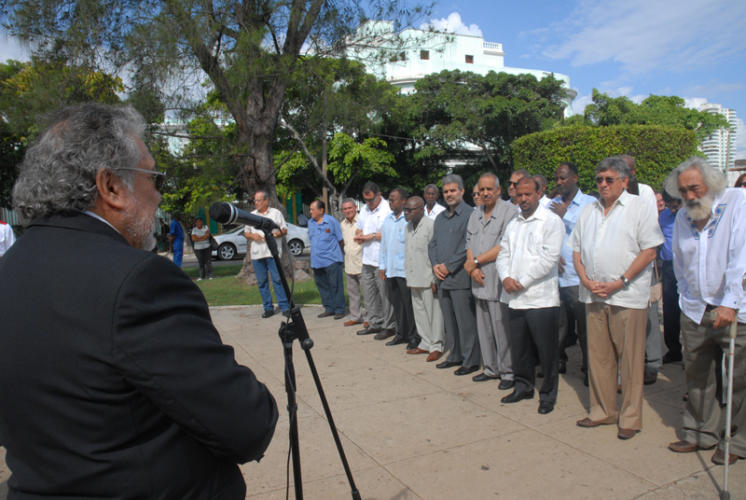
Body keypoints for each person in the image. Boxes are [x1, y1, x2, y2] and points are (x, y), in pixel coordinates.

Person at [0, 103, 278, 498]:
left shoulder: (9, 270)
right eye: (154, 177)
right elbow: (247, 423)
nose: (160, 195)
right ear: (111, 187)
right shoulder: (137, 280)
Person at [571, 156, 663, 440]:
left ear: (624, 181)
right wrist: (586, 279)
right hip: (594, 295)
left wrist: (619, 282)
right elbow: (576, 250)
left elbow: (649, 251)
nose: (603, 185)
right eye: (599, 180)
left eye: (609, 179)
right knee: (599, 358)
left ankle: (631, 418)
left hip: (626, 296)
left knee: (630, 361)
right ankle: (603, 411)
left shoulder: (639, 208)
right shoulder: (589, 211)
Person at [664, 157, 746, 465]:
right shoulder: (685, 216)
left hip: (734, 309)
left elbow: (741, 255)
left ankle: (737, 440)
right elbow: (681, 261)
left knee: (739, 379)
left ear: (711, 184)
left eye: (694, 188)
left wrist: (730, 302)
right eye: (683, 190)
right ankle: (701, 432)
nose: (689, 196)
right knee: (697, 376)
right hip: (697, 310)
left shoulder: (737, 202)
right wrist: (688, 300)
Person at [497, 177, 564, 414]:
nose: (523, 199)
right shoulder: (513, 222)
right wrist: (505, 277)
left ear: (538, 194)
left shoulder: (551, 221)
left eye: (528, 194)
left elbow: (549, 258)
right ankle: (523, 386)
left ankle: (547, 394)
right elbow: (503, 253)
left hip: (541, 299)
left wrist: (522, 281)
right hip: (514, 298)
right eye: (520, 195)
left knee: (546, 351)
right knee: (520, 348)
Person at [464, 172, 517, 388]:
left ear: (498, 190)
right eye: (482, 190)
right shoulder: (475, 213)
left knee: (500, 327)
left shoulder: (510, 212)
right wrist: (472, 266)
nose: (485, 193)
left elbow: (504, 244)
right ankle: (490, 367)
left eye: (489, 189)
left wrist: (475, 261)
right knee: (483, 326)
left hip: (496, 278)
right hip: (478, 278)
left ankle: (508, 372)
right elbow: (469, 241)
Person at [428, 174, 481, 375]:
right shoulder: (440, 218)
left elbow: (467, 246)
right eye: (446, 191)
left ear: (462, 191)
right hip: (442, 278)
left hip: (459, 277)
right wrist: (435, 265)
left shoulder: (471, 214)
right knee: (449, 321)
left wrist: (449, 266)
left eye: (453, 190)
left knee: (465, 322)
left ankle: (471, 360)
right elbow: (432, 244)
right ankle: (455, 355)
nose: (449, 194)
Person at [550, 162, 596, 378]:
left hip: (578, 278)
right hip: (555, 278)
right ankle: (558, 361)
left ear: (575, 178)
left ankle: (589, 369)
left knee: (585, 330)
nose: (559, 182)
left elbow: (591, 232)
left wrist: (564, 216)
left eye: (563, 178)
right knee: (558, 327)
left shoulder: (590, 203)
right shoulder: (552, 204)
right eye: (557, 178)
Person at [621, 154, 662, 384]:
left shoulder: (644, 191)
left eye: (625, 170)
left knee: (649, 316)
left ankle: (653, 362)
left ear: (633, 172)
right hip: (622, 265)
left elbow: (644, 226)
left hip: (644, 261)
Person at [403, 196, 444, 361]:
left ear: (421, 209)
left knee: (434, 314)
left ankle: (437, 345)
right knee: (419, 313)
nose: (406, 213)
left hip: (428, 278)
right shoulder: (407, 227)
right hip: (413, 277)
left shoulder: (430, 226)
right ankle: (425, 343)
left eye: (410, 210)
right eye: (405, 209)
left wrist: (435, 278)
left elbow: (436, 253)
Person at [355, 182, 396, 336]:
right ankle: (375, 322)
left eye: (371, 200)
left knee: (385, 295)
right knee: (369, 294)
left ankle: (389, 325)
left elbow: (389, 232)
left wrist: (370, 236)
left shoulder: (387, 209)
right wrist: (359, 235)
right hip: (367, 258)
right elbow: (359, 226)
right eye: (366, 200)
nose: (368, 203)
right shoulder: (365, 210)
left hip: (382, 260)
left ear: (378, 195)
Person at [379, 188, 418, 348]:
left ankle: (413, 337)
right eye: (389, 199)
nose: (390, 202)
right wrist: (382, 267)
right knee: (397, 305)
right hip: (391, 270)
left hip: (405, 271)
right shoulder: (387, 220)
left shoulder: (408, 220)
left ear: (403, 201)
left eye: (393, 199)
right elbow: (384, 246)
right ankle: (400, 334)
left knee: (409, 306)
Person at [244, 190, 290, 318]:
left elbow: (284, 230)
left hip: (272, 253)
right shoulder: (251, 215)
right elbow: (246, 233)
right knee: (262, 282)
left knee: (277, 280)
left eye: (258, 200)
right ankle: (268, 308)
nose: (256, 203)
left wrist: (273, 235)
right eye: (255, 200)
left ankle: (285, 306)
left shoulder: (275, 213)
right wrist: (253, 235)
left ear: (266, 201)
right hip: (257, 254)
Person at [308, 199, 346, 319]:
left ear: (321, 210)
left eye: (312, 209)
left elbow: (340, 240)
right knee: (322, 286)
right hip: (317, 261)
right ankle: (329, 308)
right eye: (310, 209)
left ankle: (339, 309)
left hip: (332, 260)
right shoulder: (310, 222)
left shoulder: (331, 221)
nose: (310, 212)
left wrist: (334, 253)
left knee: (335, 285)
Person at [659, 191, 683, 363]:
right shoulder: (664, 216)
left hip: (687, 268)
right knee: (670, 310)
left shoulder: (690, 214)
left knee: (688, 311)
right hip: (669, 268)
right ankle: (673, 349)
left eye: (675, 204)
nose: (672, 208)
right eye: (669, 204)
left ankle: (691, 354)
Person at [340, 198, 366, 327]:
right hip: (349, 264)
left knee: (368, 294)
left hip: (362, 263)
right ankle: (356, 317)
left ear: (355, 207)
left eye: (350, 208)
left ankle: (371, 319)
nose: (348, 211)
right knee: (353, 293)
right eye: (345, 209)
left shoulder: (363, 221)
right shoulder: (343, 224)